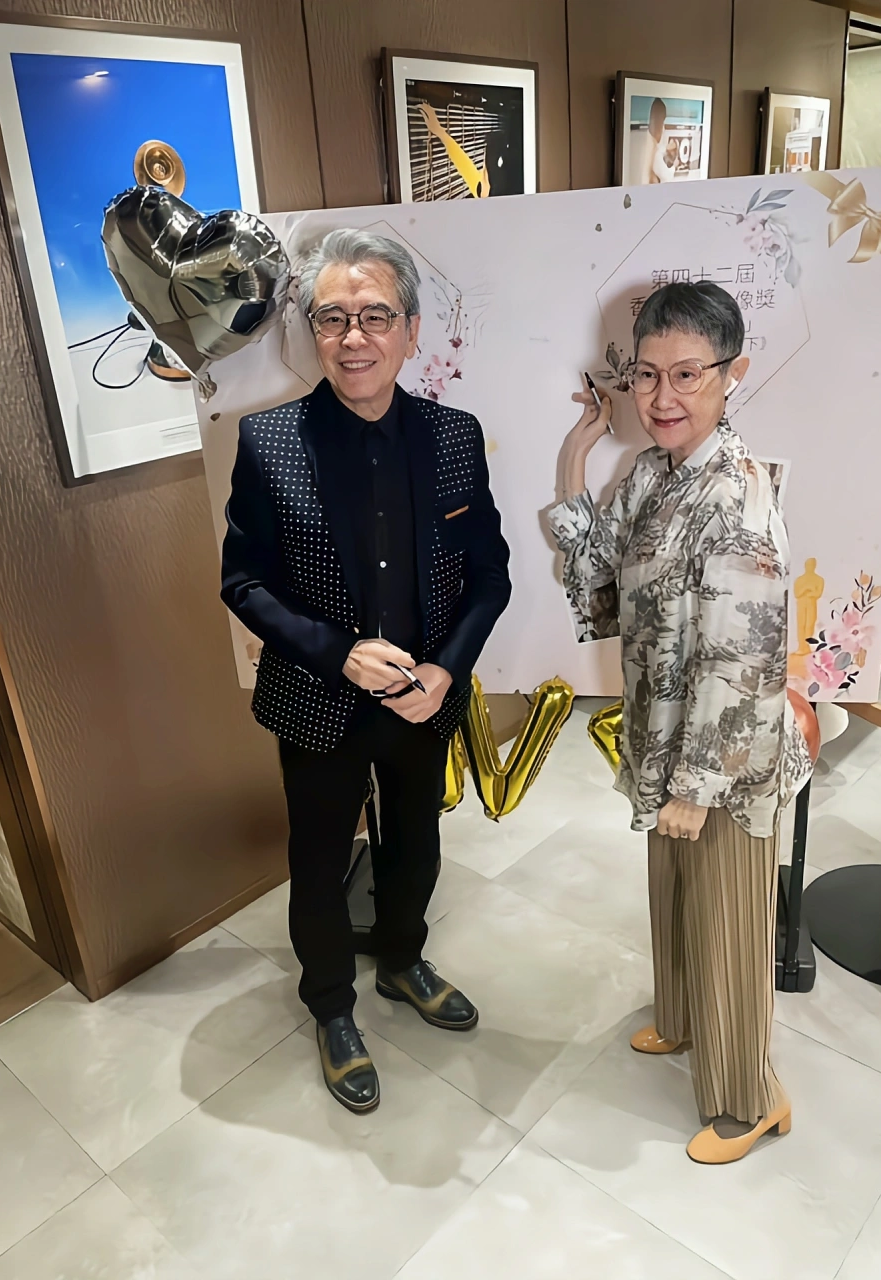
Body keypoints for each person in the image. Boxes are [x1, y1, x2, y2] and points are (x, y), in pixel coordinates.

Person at [221, 229, 511, 1114]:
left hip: (423, 700)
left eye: (376, 316)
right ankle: (330, 1007)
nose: (355, 337)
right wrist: (336, 650)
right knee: (318, 861)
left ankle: (402, 961)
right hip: (317, 699)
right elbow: (242, 583)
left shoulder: (454, 437)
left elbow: (490, 576)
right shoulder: (269, 441)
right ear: (312, 332)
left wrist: (447, 672)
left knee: (416, 844)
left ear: (411, 332)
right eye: (333, 318)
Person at [549, 281, 812, 1164]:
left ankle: (750, 1101)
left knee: (730, 925)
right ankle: (684, 1021)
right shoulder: (651, 473)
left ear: (733, 374)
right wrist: (576, 458)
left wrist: (698, 787)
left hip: (725, 763)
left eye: (688, 374)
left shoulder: (738, 497)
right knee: (677, 900)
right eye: (647, 375)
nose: (662, 397)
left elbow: (746, 661)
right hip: (666, 738)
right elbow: (598, 577)